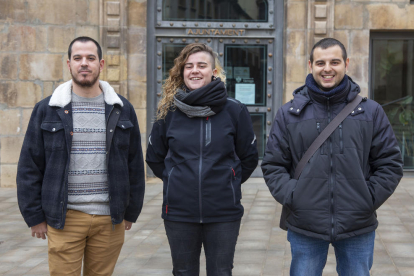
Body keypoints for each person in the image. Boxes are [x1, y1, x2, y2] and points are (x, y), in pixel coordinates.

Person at [261, 38, 403, 276]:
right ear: (310, 65)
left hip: (357, 225)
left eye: (334, 62)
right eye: (320, 63)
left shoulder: (370, 111)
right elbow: (273, 164)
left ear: (346, 64)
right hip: (305, 224)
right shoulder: (289, 113)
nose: (327, 68)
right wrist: (294, 196)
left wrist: (366, 199)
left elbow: (390, 164)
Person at [16, 36, 145, 275]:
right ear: (69, 64)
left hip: (110, 219)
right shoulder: (48, 109)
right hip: (66, 217)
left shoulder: (122, 109)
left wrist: (131, 211)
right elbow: (29, 166)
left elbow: (135, 164)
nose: (84, 63)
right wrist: (34, 216)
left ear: (101, 64)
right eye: (78, 58)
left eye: (90, 58)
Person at [146, 43, 258, 276]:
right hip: (179, 212)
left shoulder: (235, 111)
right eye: (189, 66)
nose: (194, 70)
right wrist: (176, 180)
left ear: (214, 72)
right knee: (183, 272)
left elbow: (248, 158)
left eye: (201, 65)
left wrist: (229, 180)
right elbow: (154, 157)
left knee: (221, 272)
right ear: (182, 72)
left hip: (223, 212)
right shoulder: (168, 112)